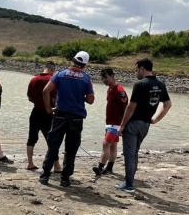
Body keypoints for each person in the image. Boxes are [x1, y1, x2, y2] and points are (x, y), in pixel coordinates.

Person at [39, 51, 95, 187]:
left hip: (60, 115)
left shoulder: (60, 74)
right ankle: (65, 178)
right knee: (71, 148)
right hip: (76, 118)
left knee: (53, 146)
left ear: (73, 60)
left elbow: (45, 91)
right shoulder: (86, 79)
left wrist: (48, 109)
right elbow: (91, 100)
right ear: (85, 64)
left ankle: (45, 175)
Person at [116, 58, 172, 193]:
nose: (136, 73)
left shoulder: (140, 84)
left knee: (129, 154)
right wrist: (155, 119)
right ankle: (130, 181)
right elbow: (167, 105)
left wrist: (122, 125)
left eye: (137, 70)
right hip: (146, 124)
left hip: (133, 124)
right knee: (134, 153)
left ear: (142, 68)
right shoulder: (161, 84)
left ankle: (129, 185)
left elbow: (131, 106)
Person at [26, 62, 61, 172]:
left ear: (45, 68)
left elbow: (30, 97)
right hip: (49, 113)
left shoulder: (34, 79)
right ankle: (56, 165)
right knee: (51, 140)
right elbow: (56, 98)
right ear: (53, 70)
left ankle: (30, 163)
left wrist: (38, 102)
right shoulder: (53, 80)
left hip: (35, 112)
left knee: (31, 138)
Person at [92, 68, 128, 176]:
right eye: (102, 78)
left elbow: (127, 107)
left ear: (112, 76)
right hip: (110, 122)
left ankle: (100, 167)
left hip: (116, 124)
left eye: (106, 78)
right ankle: (109, 168)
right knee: (113, 146)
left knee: (105, 143)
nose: (104, 80)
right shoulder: (110, 89)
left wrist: (123, 125)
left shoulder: (119, 90)